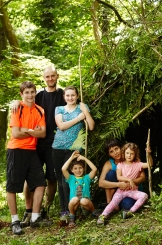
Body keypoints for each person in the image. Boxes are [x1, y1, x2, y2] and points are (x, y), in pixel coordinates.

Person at [12, 66, 66, 226]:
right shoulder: (39, 95)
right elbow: (24, 102)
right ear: (44, 78)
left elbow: (73, 104)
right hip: (35, 144)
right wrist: (15, 101)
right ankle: (28, 211)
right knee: (31, 179)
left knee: (52, 178)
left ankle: (45, 209)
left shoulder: (62, 95)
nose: (50, 79)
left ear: (57, 76)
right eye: (47, 76)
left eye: (52, 76)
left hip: (55, 143)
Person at [6, 81, 50, 235]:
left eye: (32, 92)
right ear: (21, 94)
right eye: (27, 93)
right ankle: (15, 221)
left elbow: (43, 133)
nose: (30, 95)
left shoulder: (40, 110)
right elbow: (16, 134)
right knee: (12, 186)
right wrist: (33, 131)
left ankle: (35, 218)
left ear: (35, 93)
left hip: (32, 151)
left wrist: (26, 130)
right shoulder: (17, 108)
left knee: (40, 183)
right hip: (16, 150)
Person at [52, 85, 95, 225]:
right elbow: (61, 126)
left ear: (77, 96)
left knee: (70, 178)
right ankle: (64, 209)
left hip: (74, 148)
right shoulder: (59, 109)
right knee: (60, 178)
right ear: (64, 97)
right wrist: (78, 118)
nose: (70, 98)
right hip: (58, 146)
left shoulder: (82, 107)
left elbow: (91, 126)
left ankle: (75, 208)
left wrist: (85, 113)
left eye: (73, 95)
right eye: (67, 95)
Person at [97, 142, 150, 225]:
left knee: (132, 203)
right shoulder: (118, 165)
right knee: (113, 202)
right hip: (121, 190)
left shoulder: (136, 162)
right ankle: (103, 215)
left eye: (116, 149)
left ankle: (129, 212)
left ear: (121, 149)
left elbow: (144, 175)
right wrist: (123, 183)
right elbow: (104, 182)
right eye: (111, 151)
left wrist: (148, 154)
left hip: (132, 190)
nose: (115, 152)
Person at [61, 150, 98, 227]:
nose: (78, 170)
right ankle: (72, 217)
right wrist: (71, 157)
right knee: (75, 199)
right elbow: (63, 169)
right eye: (75, 168)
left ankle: (94, 212)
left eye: (80, 168)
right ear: (71, 170)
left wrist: (85, 159)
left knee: (83, 200)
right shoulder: (71, 178)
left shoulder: (86, 178)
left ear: (83, 168)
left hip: (85, 205)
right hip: (74, 206)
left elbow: (94, 169)